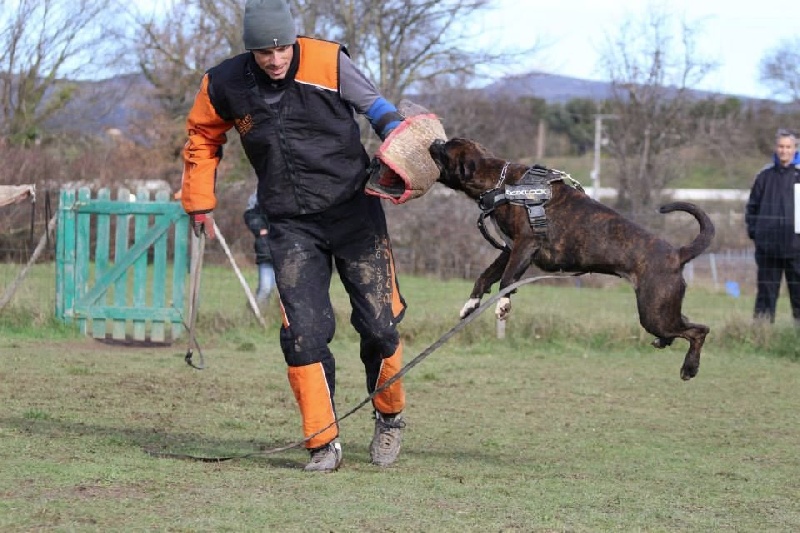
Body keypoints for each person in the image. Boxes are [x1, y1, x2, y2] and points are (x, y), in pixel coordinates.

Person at [179, 0, 408, 472]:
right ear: (250, 51)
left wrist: (402, 140)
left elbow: (377, 108)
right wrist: (199, 202)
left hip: (354, 214)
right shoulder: (222, 83)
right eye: (264, 51)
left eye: (283, 47)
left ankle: (389, 417)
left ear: (294, 40)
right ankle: (322, 443)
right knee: (302, 335)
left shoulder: (328, 61)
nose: (276, 59)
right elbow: (202, 137)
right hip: (289, 223)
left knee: (380, 325)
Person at [745, 128, 800, 323]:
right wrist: (755, 233)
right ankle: (762, 335)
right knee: (766, 297)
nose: (784, 150)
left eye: (788, 147)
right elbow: (752, 208)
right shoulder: (764, 177)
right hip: (768, 248)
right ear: (776, 148)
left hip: (796, 249)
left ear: (795, 149)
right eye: (781, 146)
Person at [243, 192, 275, 305]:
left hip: (287, 254)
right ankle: (257, 314)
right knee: (265, 289)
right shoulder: (259, 193)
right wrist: (261, 229)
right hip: (266, 251)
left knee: (282, 293)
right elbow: (250, 214)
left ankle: (273, 317)